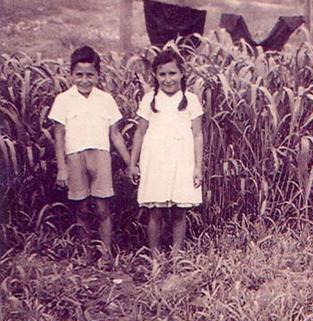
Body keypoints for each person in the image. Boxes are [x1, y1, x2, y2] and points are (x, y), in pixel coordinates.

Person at [48, 45, 130, 267]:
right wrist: (62, 168)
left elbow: (115, 134)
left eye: (90, 75)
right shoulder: (63, 100)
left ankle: (106, 254)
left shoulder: (105, 99)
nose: (85, 80)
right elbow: (59, 135)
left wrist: (129, 162)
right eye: (79, 75)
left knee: (103, 208)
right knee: (81, 208)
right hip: (75, 158)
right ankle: (86, 253)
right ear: (71, 74)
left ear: (98, 75)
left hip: (101, 156)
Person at [128, 49, 203, 263]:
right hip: (156, 161)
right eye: (162, 74)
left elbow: (197, 134)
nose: (168, 79)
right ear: (155, 75)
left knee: (180, 211)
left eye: (172, 73)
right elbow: (140, 132)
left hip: (182, 160)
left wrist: (198, 167)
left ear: (181, 73)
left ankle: (176, 256)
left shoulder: (190, 100)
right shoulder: (149, 100)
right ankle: (155, 257)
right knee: (156, 211)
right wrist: (133, 164)